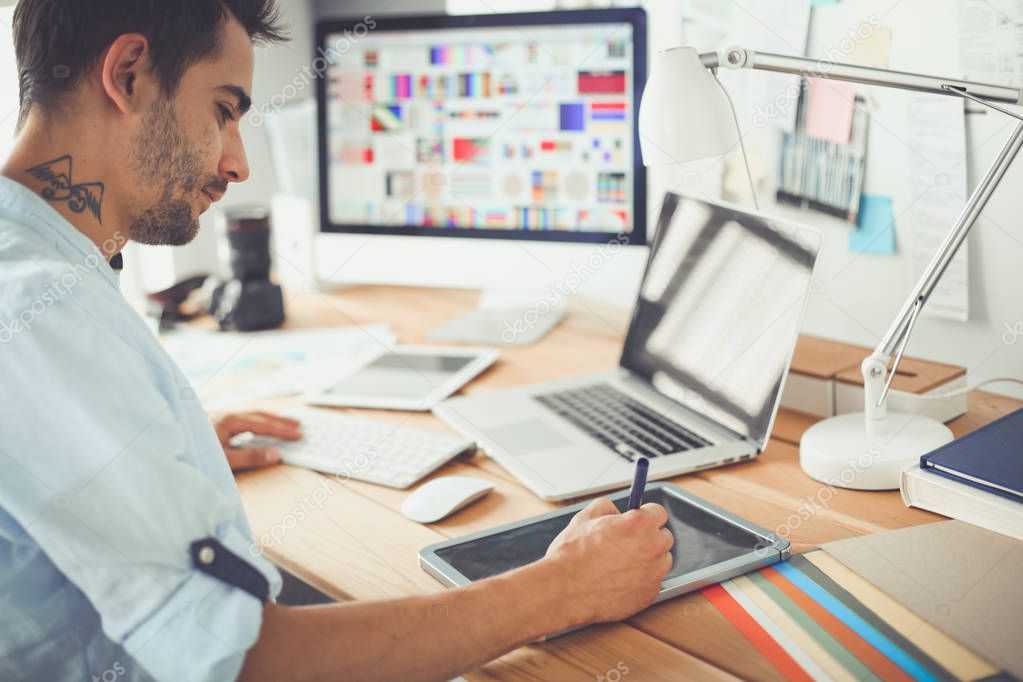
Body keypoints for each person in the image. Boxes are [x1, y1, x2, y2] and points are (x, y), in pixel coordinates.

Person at [0, 2, 675, 680]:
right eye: (223, 110)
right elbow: (249, 663)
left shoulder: (31, 268)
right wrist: (562, 589)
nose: (237, 165)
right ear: (128, 73)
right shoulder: (42, 313)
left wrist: (156, 454)